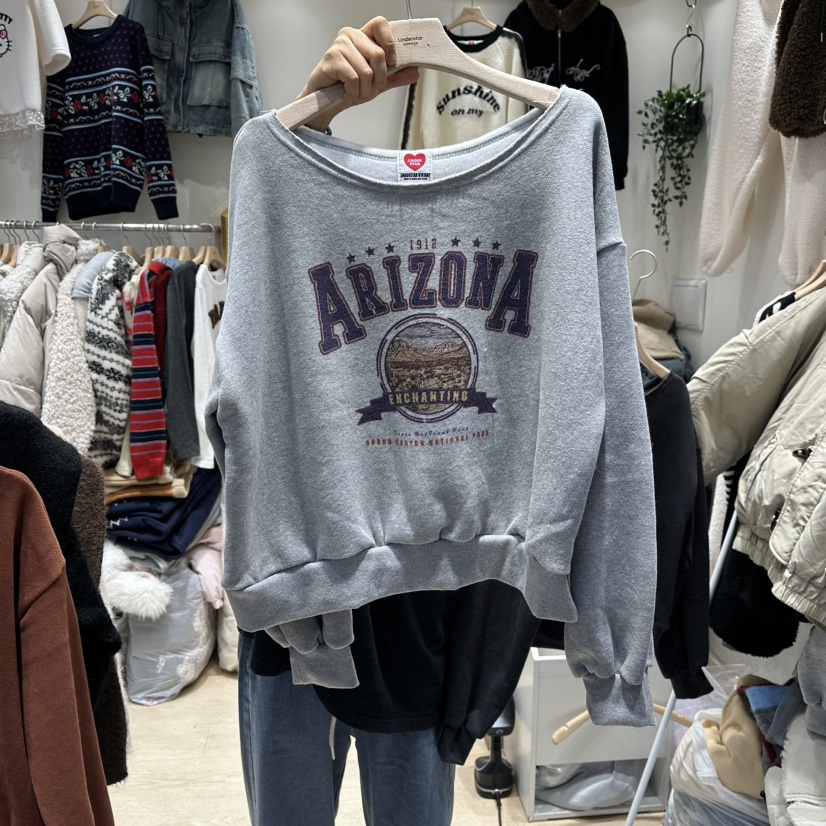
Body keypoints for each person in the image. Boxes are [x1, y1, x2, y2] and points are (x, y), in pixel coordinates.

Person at [236, 18, 457, 826]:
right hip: (292, 583)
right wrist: (312, 114)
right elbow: (277, 249)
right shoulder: (285, 194)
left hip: (423, 593)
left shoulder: (499, 220)